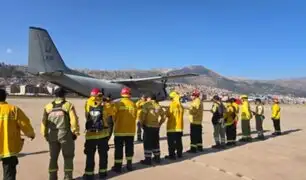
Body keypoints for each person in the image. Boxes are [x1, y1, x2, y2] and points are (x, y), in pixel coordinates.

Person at [41, 87, 80, 180]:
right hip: (65, 134)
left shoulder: (48, 106)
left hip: (52, 135)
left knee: (53, 157)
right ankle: (68, 177)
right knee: (68, 157)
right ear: (64, 95)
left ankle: (52, 177)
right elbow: (74, 120)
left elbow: (44, 122)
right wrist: (75, 132)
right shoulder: (68, 105)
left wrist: (45, 134)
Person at [0, 89, 35, 180]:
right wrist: (30, 134)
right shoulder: (13, 109)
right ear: (5, 97)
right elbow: (24, 123)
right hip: (8, 147)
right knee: (9, 173)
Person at [83, 88, 110, 179]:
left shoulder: (87, 103)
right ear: (100, 95)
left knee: (90, 156)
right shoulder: (105, 104)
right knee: (103, 155)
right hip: (103, 134)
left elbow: (86, 114)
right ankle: (103, 173)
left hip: (91, 134)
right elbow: (112, 113)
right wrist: (107, 101)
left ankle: (89, 175)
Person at [112, 87, 137, 173]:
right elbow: (135, 116)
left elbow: (113, 116)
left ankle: (118, 167)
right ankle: (129, 165)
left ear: (122, 94)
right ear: (130, 94)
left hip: (119, 130)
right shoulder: (133, 104)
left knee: (119, 149)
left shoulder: (118, 104)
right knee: (129, 148)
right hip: (130, 131)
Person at [139, 93, 166, 165]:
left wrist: (141, 124)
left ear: (150, 98)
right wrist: (159, 124)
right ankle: (157, 158)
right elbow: (164, 116)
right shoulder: (158, 106)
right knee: (155, 142)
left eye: (147, 98)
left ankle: (148, 160)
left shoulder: (146, 105)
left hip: (148, 127)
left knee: (147, 143)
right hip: (156, 127)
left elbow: (143, 116)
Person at [165, 91, 184, 160]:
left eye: (171, 98)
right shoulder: (181, 105)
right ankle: (179, 154)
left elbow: (167, 114)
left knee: (171, 142)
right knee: (179, 141)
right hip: (180, 126)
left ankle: (172, 155)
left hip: (172, 127)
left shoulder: (172, 105)